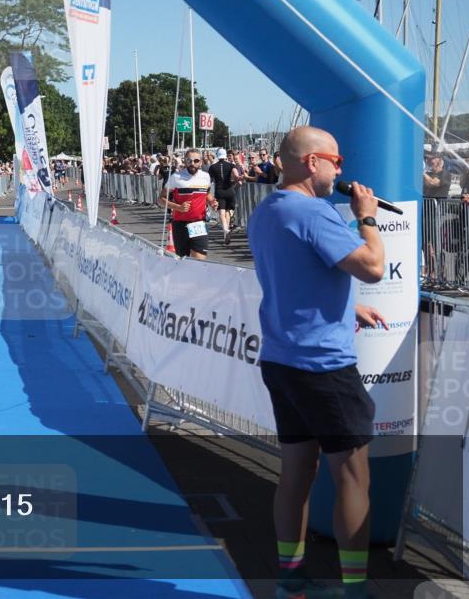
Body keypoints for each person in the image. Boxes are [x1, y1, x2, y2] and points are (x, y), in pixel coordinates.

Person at [247, 126, 386, 599]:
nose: (341, 169)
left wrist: (349, 309)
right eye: (337, 160)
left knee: (296, 472)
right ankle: (354, 587)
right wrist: (366, 218)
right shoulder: (316, 212)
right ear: (312, 162)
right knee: (353, 475)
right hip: (324, 366)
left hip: (282, 359)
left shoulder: (268, 209)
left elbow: (295, 274)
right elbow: (372, 266)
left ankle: (291, 573)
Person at [158, 148, 216, 260]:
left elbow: (207, 194)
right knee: (183, 261)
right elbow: (160, 199)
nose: (192, 164)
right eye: (189, 160)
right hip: (180, 224)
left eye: (196, 161)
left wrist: (212, 202)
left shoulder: (205, 177)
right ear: (184, 161)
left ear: (200, 162)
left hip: (199, 223)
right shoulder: (176, 177)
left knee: (199, 259)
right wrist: (178, 207)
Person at [208, 148, 240, 245]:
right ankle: (226, 232)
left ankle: (225, 230)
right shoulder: (231, 165)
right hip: (229, 190)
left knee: (221, 212)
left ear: (217, 155)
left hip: (219, 190)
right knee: (227, 211)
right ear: (225, 155)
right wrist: (234, 180)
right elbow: (236, 174)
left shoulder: (212, 167)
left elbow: (209, 180)